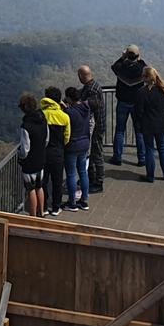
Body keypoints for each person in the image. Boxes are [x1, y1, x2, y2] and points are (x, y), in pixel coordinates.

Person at [133, 67, 164, 183]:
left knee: (149, 149)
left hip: (147, 125)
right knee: (162, 148)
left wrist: (139, 124)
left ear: (146, 78)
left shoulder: (142, 92)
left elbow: (138, 111)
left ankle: (150, 176)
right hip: (160, 124)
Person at [110, 46, 146, 166]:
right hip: (137, 104)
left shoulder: (121, 67)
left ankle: (117, 157)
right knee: (139, 131)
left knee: (120, 130)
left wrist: (122, 57)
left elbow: (114, 67)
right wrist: (139, 59)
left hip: (123, 102)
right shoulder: (141, 69)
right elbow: (147, 69)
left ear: (127, 55)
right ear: (137, 56)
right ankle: (142, 159)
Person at [40, 86, 71, 217]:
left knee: (43, 181)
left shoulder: (41, 115)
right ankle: (56, 207)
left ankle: (44, 206)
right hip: (58, 153)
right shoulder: (64, 117)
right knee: (57, 181)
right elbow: (67, 137)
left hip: (43, 153)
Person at [18, 94, 49, 217]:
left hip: (30, 162)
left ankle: (32, 217)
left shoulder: (26, 126)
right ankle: (41, 212)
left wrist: (20, 155)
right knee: (39, 186)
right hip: (41, 157)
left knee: (30, 189)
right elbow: (47, 139)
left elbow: (25, 149)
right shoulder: (43, 119)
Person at [63, 86, 92, 211]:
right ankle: (84, 201)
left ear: (69, 98)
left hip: (73, 145)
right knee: (83, 172)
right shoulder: (86, 108)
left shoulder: (70, 113)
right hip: (85, 143)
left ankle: (72, 202)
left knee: (71, 174)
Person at [77, 65, 106, 193]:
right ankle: (90, 177)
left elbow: (89, 105)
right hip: (96, 126)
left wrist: (77, 104)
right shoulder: (91, 86)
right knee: (93, 153)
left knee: (96, 153)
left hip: (97, 127)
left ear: (82, 76)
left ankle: (98, 182)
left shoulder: (93, 90)